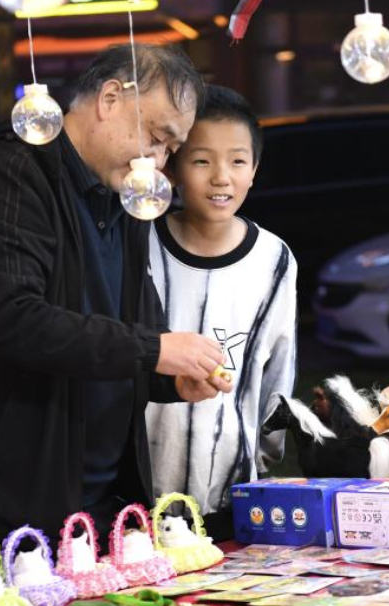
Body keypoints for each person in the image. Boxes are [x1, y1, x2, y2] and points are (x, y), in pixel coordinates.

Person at [0, 45, 231, 575]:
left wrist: (171, 376)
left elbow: (128, 328)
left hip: (95, 504)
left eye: (170, 148)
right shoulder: (10, 170)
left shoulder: (123, 194)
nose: (160, 160)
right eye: (157, 137)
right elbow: (13, 318)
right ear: (109, 99)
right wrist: (155, 350)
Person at [145, 86, 297, 538]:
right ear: (172, 168)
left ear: (254, 169)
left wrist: (264, 457)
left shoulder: (275, 259)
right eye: (201, 161)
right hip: (140, 489)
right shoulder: (139, 244)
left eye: (236, 161)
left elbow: (278, 371)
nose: (221, 178)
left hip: (232, 490)